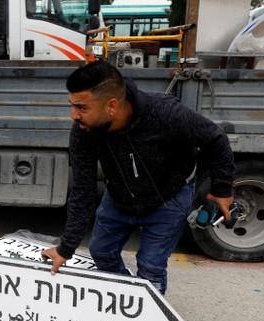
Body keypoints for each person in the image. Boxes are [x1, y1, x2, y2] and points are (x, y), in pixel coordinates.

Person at [42, 61, 235, 294]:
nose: (74, 115)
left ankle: (145, 315)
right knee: (101, 252)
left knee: (150, 266)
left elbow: (215, 139)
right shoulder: (84, 132)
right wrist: (66, 248)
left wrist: (222, 190)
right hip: (119, 197)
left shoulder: (164, 113)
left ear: (111, 106)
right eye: (72, 106)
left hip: (168, 198)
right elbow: (82, 192)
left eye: (82, 108)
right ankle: (126, 298)